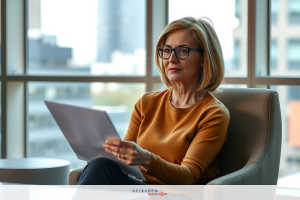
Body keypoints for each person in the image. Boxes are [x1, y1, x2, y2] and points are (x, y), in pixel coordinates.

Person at [77, 16, 230, 185]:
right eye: (166, 50)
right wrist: (98, 152)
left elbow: (189, 176)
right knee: (100, 165)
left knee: (101, 168)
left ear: (203, 59)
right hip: (141, 191)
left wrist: (147, 159)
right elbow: (124, 163)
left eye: (182, 50)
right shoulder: (146, 103)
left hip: (179, 195)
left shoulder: (214, 114)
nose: (171, 59)